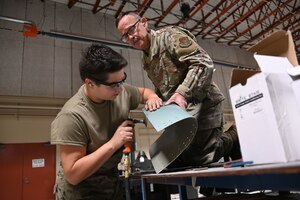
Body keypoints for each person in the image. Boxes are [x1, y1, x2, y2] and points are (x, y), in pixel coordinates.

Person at [116, 11, 241, 169]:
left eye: (131, 29)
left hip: (203, 102)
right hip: (181, 110)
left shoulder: (170, 36)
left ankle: (234, 135)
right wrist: (158, 104)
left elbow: (203, 63)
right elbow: (163, 85)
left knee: (200, 157)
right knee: (173, 159)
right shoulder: (146, 58)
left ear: (144, 23)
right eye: (125, 36)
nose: (130, 37)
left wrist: (181, 93)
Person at [50, 43, 162, 200]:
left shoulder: (118, 91)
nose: (121, 88)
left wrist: (152, 97)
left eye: (123, 80)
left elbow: (143, 92)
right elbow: (73, 174)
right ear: (90, 83)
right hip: (81, 190)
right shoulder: (72, 116)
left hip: (111, 182)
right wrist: (114, 143)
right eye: (114, 84)